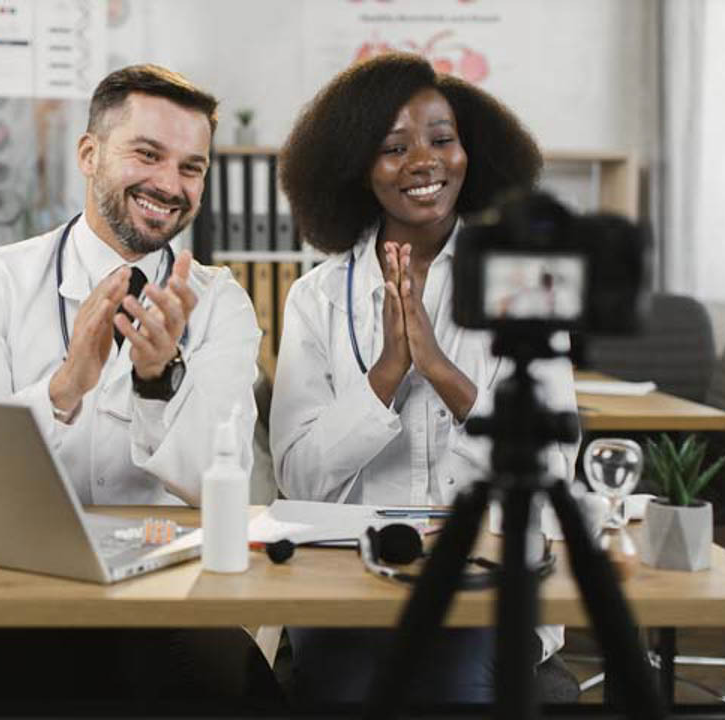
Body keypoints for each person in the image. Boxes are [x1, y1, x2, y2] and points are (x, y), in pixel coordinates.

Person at [0, 64, 273, 709]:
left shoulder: (222, 304)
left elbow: (222, 482)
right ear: (89, 153)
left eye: (191, 167)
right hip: (10, 599)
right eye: (148, 154)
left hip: (170, 599)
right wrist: (67, 385)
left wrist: (156, 383)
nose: (169, 184)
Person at [271, 52, 580, 707]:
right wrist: (386, 373)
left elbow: (550, 463)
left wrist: (441, 370)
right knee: (346, 692)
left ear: (472, 152)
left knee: (453, 690)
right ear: (356, 166)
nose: (425, 161)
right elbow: (297, 478)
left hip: (485, 582)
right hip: (347, 581)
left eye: (443, 140)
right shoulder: (314, 298)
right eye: (393, 147)